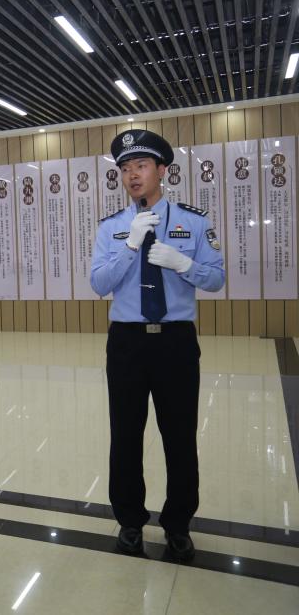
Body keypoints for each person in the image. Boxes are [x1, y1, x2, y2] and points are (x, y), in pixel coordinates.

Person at [91, 129, 225, 562]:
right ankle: (130, 521)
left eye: (141, 166)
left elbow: (216, 278)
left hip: (175, 343)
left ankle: (178, 524)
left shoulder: (194, 221)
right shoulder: (112, 227)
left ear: (162, 170)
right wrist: (130, 246)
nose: (132, 175)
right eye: (125, 169)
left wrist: (185, 264)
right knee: (125, 435)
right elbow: (99, 284)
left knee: (180, 436)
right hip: (127, 343)